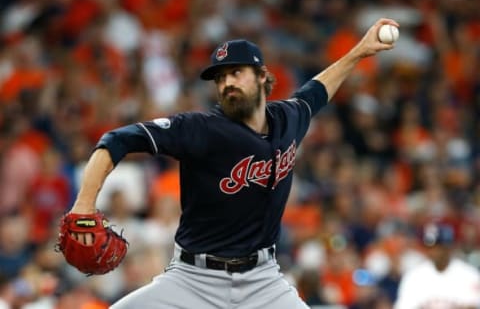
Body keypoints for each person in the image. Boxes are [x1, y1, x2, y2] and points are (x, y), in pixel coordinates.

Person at [67, 18, 398, 308]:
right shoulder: (201, 130)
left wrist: (360, 51)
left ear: (262, 76)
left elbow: (317, 90)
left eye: (236, 73)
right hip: (192, 280)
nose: (227, 83)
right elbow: (116, 140)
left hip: (263, 280)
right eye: (220, 78)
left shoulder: (289, 118)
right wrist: (83, 205)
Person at [394, 222, 480, 309]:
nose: (433, 252)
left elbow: (473, 306)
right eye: (430, 247)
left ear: (449, 247)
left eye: (438, 247)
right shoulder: (414, 276)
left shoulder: (469, 274)